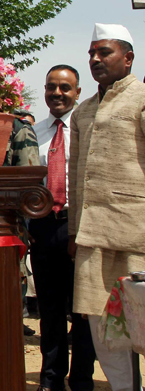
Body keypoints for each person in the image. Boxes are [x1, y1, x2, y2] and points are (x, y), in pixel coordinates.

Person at [69, 23, 145, 391]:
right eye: (91, 54)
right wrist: (72, 231)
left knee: (142, 324)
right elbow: (74, 178)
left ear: (128, 58)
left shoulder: (142, 98)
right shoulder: (81, 111)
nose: (95, 59)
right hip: (91, 238)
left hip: (136, 236)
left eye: (105, 52)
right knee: (103, 328)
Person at [31, 64, 95, 391]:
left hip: (81, 227)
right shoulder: (32, 133)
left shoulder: (89, 130)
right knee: (50, 310)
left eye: (65, 88)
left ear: (78, 93)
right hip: (43, 230)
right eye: (51, 87)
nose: (57, 93)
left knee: (84, 310)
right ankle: (51, 378)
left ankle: (82, 379)